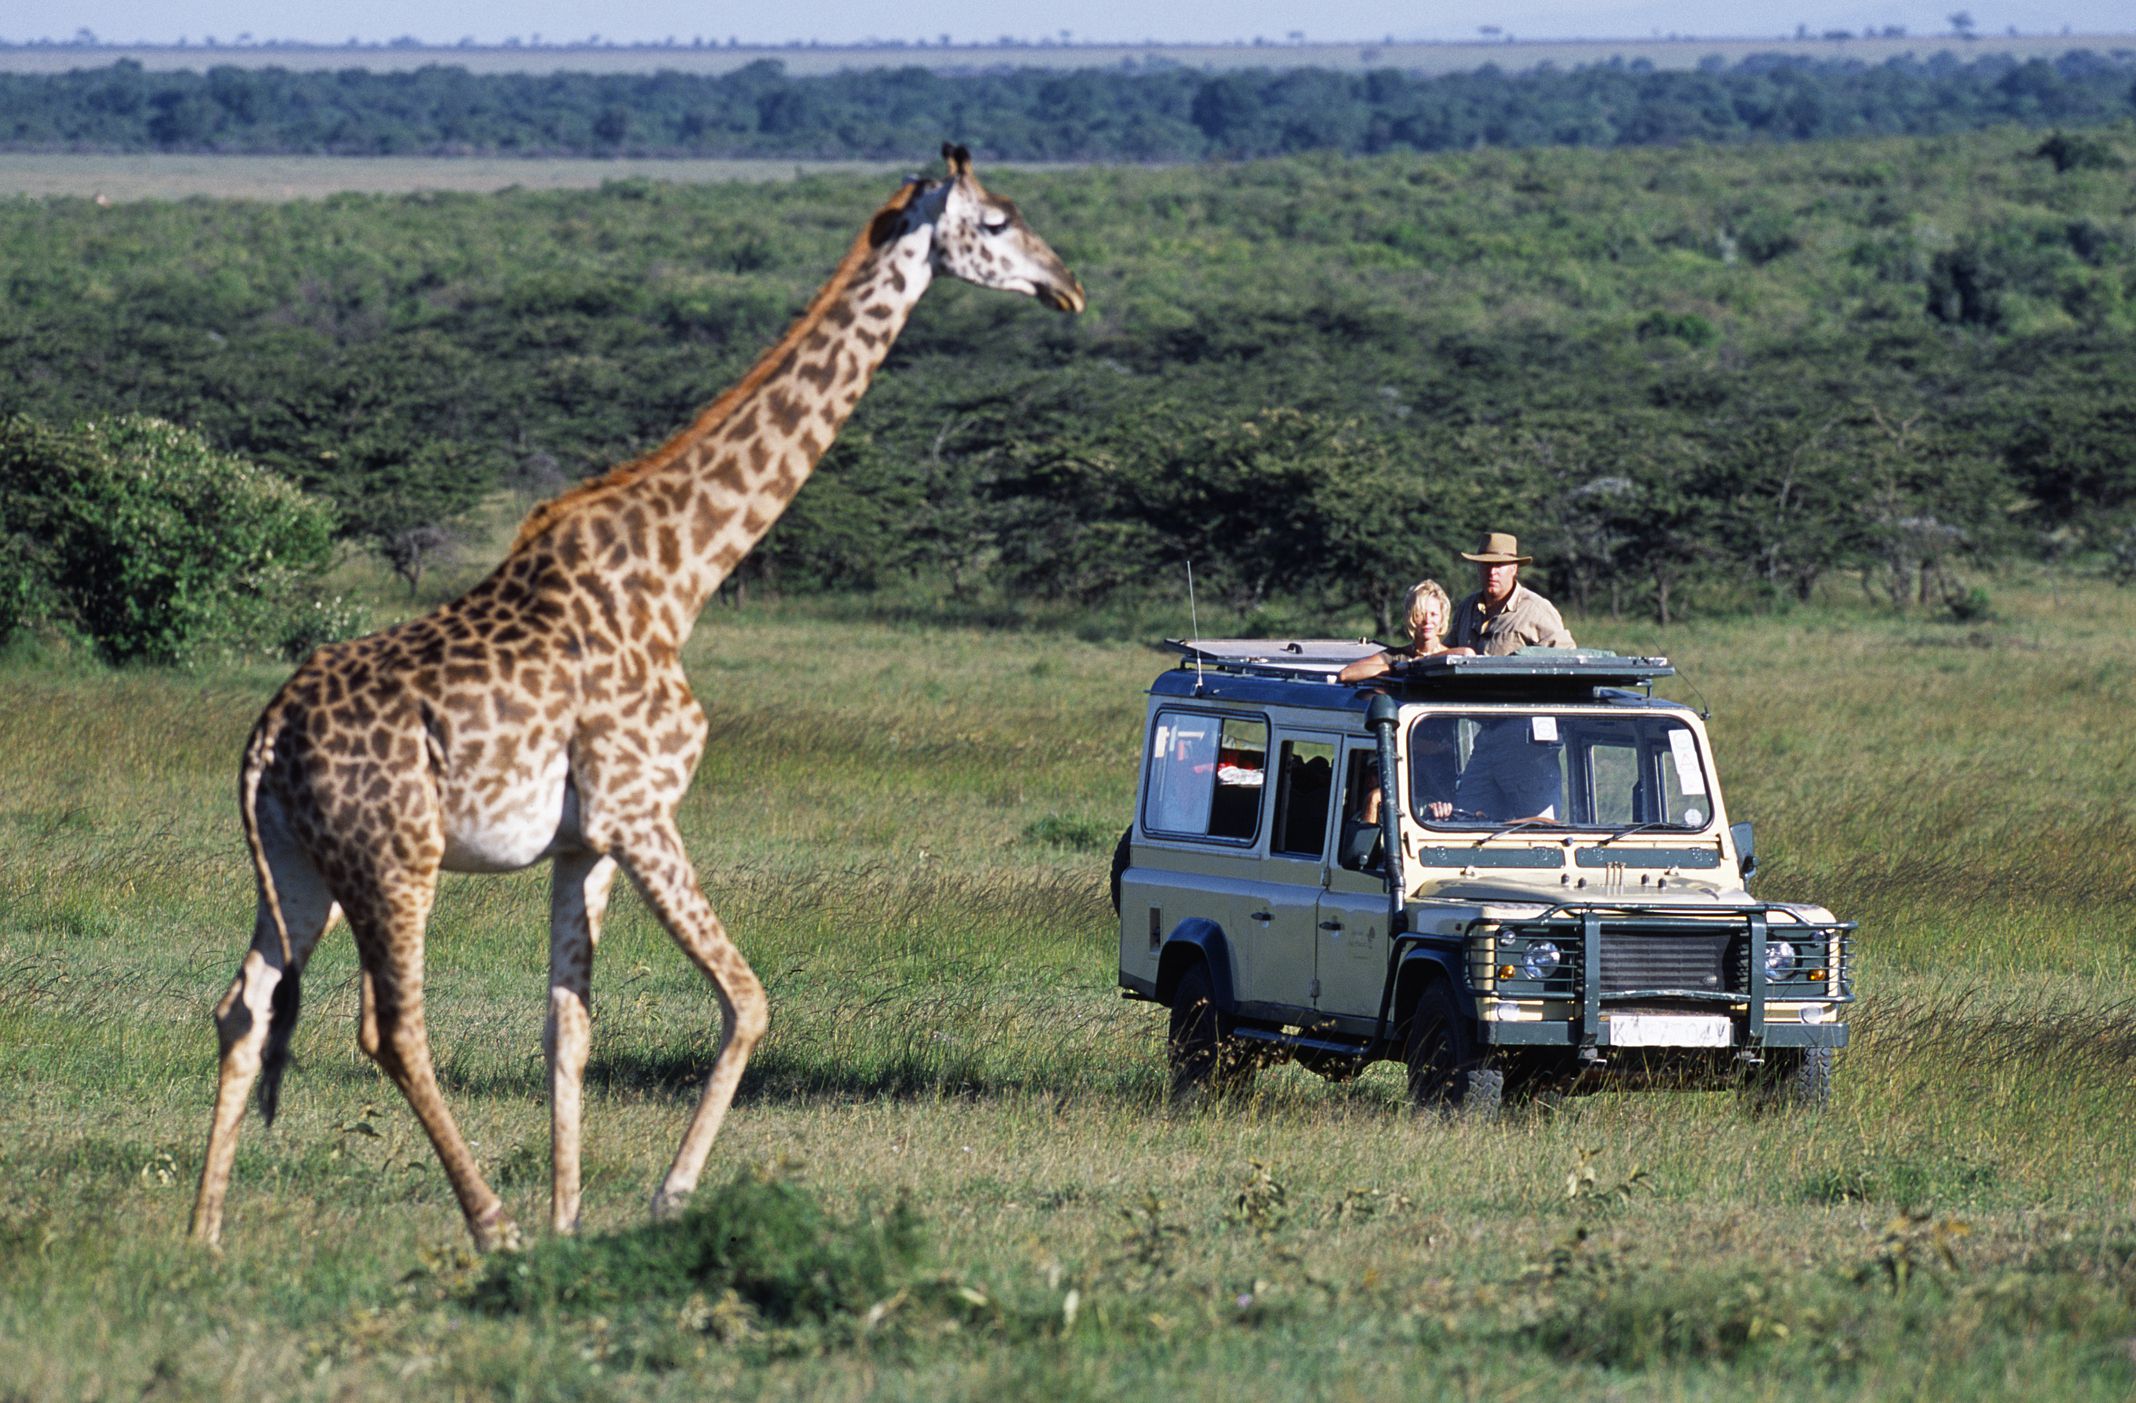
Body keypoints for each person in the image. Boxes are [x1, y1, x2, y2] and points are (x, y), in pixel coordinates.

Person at [1447, 531, 1575, 656]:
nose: (1492, 572)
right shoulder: (1466, 608)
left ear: (1514, 569)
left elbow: (1567, 658)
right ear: (1478, 568)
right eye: (1486, 564)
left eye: (1499, 565)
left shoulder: (1536, 610)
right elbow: (1447, 651)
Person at [1337, 579, 1475, 684]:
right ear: (1411, 617)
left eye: (1433, 614)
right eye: (1420, 614)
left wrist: (1422, 662)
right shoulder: (1397, 657)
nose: (1427, 621)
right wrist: (1397, 668)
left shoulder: (1451, 654)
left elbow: (1468, 654)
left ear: (1442, 618)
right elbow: (1346, 674)